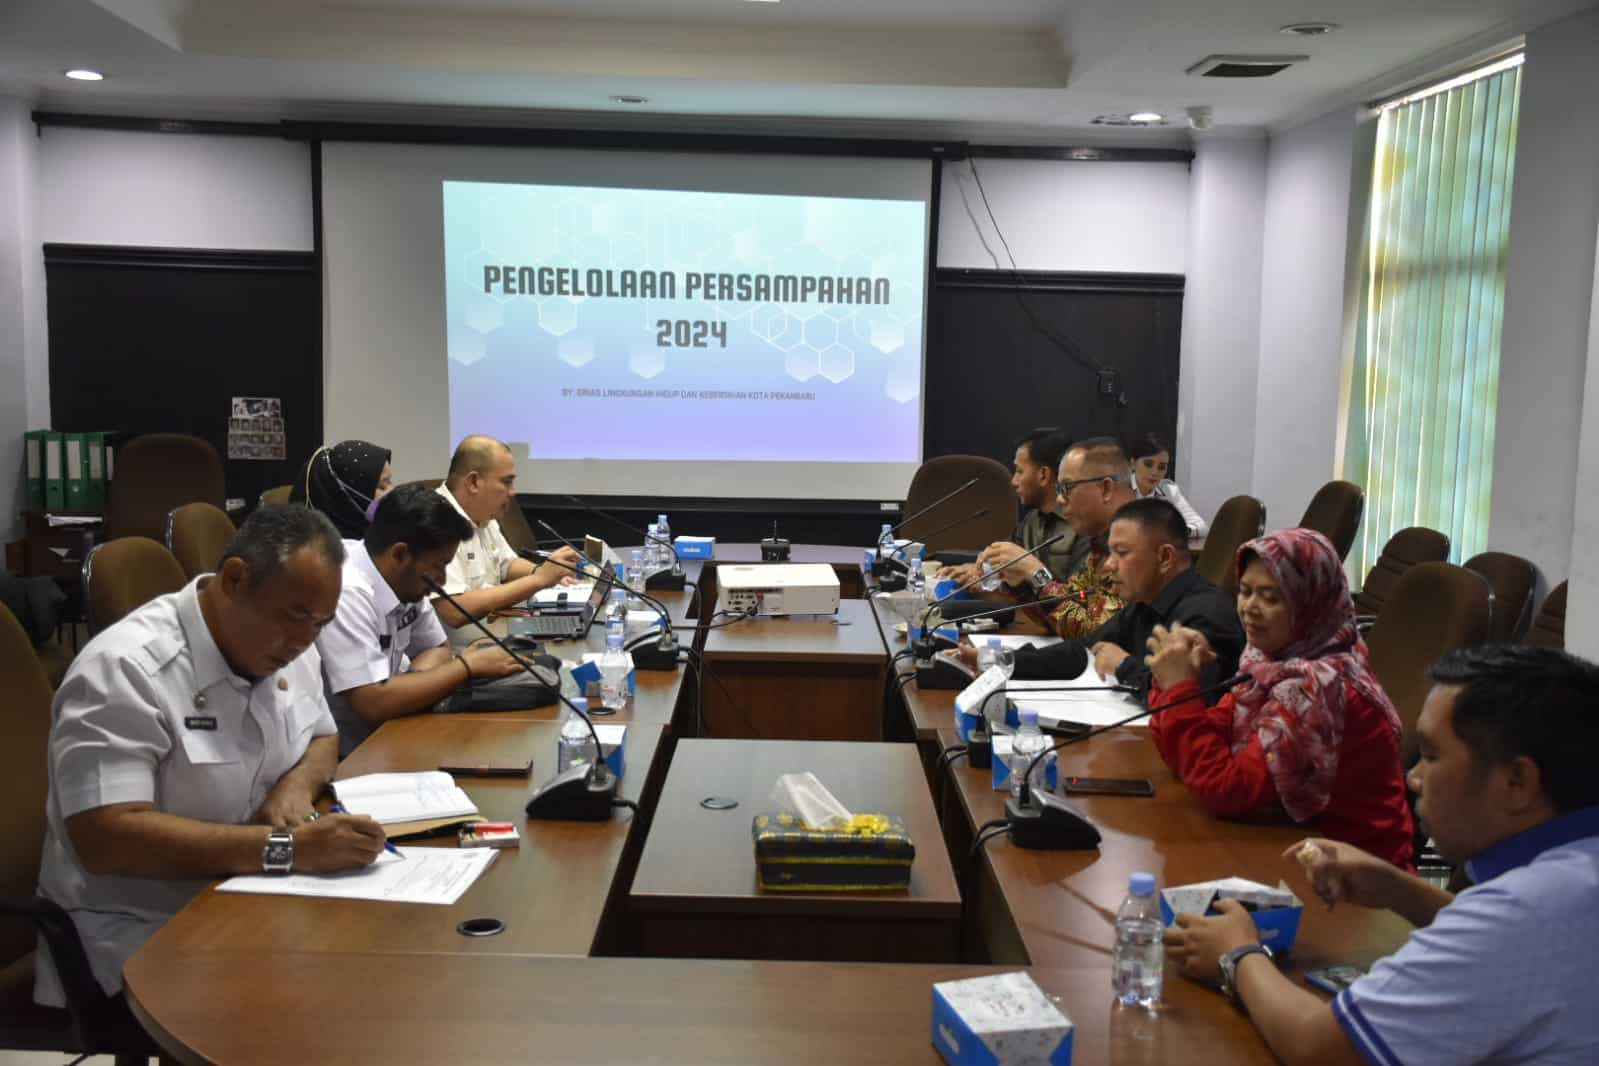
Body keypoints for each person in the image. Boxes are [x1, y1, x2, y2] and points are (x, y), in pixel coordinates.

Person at [1166, 644, 1599, 1066]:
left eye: (1431, 756)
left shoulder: (1523, 913)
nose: (1414, 778)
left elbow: (1319, 1047)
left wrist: (1238, 953)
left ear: (1516, 781)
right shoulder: (1571, 878)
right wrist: (1399, 890)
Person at [34, 504, 388, 1009]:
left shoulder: (292, 642)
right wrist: (283, 848)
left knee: (384, 964)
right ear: (235, 579)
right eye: (296, 617)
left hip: (247, 899)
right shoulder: (124, 671)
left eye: (320, 623)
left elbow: (322, 737)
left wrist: (295, 785)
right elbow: (105, 838)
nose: (305, 640)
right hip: (139, 931)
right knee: (326, 1007)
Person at [1144, 528, 1414, 868]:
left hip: (1360, 887)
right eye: (1244, 592)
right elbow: (1188, 757)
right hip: (1294, 852)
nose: (1249, 608)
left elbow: (1228, 790)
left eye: (1270, 598)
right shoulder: (1272, 661)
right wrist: (1171, 680)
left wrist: (1179, 692)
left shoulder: (1319, 687)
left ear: (1309, 604)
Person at [316, 483, 523, 756]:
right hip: (347, 757)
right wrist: (465, 667)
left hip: (393, 733)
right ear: (400, 554)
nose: (443, 581)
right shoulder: (348, 591)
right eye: (439, 566)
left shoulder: (405, 578)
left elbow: (437, 647)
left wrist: (409, 687)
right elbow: (373, 703)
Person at [1002, 497, 1244, 696]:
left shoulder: (1207, 616)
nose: (1109, 565)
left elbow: (1187, 700)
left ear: (1165, 558)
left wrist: (1123, 667)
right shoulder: (1144, 602)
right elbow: (1081, 651)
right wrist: (1001, 663)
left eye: (1121, 553)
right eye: (1110, 553)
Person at [975, 436, 1135, 639]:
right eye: (1059, 489)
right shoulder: (1102, 542)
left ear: (1106, 488)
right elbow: (1064, 618)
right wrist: (1021, 582)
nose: (1059, 499)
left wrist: (1035, 572)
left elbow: (1096, 633)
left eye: (1067, 487)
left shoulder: (1139, 544)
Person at [430, 435, 583, 647]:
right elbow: (454, 609)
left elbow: (506, 563)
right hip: (460, 653)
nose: (513, 492)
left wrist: (545, 572)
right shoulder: (435, 521)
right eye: (506, 482)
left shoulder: (482, 513)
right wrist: (538, 580)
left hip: (494, 634)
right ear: (473, 482)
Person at [941, 428, 1076, 589]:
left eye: (1019, 471)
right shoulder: (1031, 520)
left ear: (1043, 475)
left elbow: (1079, 602)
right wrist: (978, 571)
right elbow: (1007, 577)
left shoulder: (1082, 526)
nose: (1013, 481)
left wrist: (1033, 571)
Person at [289, 440, 393, 539]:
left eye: (390, 481)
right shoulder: (323, 552)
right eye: (382, 487)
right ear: (346, 497)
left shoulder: (381, 534)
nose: (392, 491)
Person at [1129, 431, 1207, 540]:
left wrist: (1174, 531)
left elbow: (1201, 527)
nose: (1155, 472)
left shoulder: (1169, 491)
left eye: (1161, 467)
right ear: (1133, 463)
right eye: (1148, 464)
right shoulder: (1119, 488)